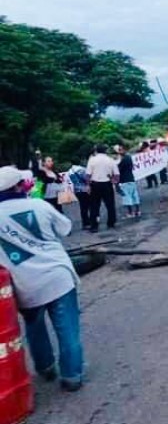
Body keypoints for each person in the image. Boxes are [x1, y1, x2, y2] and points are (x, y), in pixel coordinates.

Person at [0, 166, 84, 392]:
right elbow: (64, 228)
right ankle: (72, 376)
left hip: (24, 283)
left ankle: (45, 367)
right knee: (67, 327)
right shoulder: (38, 205)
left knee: (34, 327)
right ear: (19, 186)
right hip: (58, 276)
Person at [86, 144, 119, 233]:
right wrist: (114, 182)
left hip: (95, 184)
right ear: (105, 150)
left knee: (94, 206)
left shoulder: (92, 160)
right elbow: (116, 174)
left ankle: (94, 226)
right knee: (110, 205)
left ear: (96, 150)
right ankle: (111, 223)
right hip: (107, 184)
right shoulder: (110, 160)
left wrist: (88, 185)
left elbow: (88, 174)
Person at [117, 144, 141, 219]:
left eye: (120, 150)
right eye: (119, 150)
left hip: (125, 180)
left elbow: (118, 168)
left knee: (127, 197)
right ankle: (137, 211)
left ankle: (130, 213)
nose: (119, 151)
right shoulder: (128, 157)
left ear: (124, 150)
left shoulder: (124, 159)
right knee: (134, 196)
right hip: (131, 179)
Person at [68, 164, 92, 230]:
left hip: (77, 190)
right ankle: (91, 221)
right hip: (85, 190)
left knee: (83, 207)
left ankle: (85, 223)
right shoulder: (80, 169)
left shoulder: (70, 171)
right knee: (90, 206)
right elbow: (86, 178)